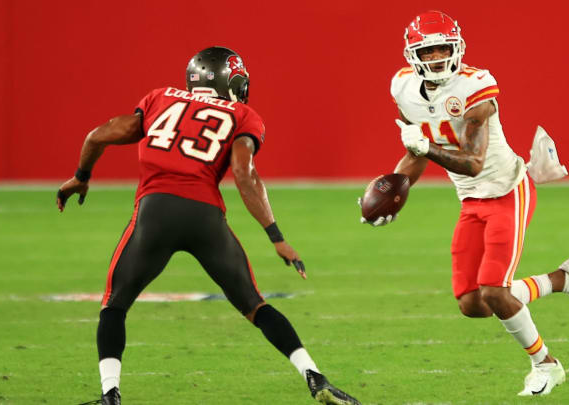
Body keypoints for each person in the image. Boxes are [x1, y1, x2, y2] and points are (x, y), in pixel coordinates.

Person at [58, 46, 360, 405]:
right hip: (205, 217)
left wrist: (80, 177)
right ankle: (314, 376)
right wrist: (276, 236)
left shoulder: (158, 99)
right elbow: (244, 174)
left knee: (114, 305)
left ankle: (111, 394)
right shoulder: (243, 114)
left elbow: (100, 134)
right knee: (255, 305)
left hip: (154, 212)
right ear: (229, 82)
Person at [363, 11, 569, 396]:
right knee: (473, 303)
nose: (439, 57)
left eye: (444, 48)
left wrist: (425, 147)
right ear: (413, 55)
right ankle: (563, 280)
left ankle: (546, 364)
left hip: (509, 190)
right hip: (471, 201)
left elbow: (473, 164)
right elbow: (418, 152)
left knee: (493, 289)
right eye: (429, 50)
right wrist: (394, 193)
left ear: (457, 48)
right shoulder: (404, 89)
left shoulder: (475, 86)